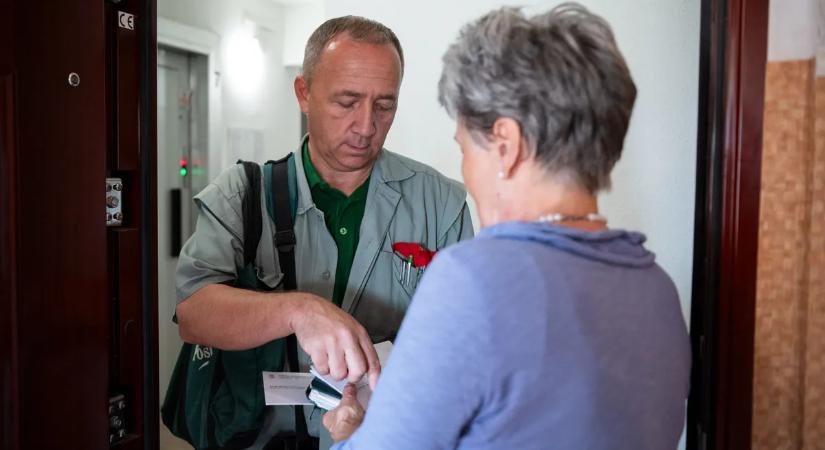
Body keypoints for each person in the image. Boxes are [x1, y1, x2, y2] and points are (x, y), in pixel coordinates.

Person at [322, 4, 691, 450]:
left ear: (507, 146)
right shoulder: (656, 290)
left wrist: (350, 434)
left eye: (466, 149)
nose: (466, 170)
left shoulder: (474, 280)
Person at [174, 16, 473, 450]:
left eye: (384, 105)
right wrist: (299, 311)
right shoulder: (241, 195)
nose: (367, 125)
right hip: (262, 436)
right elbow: (193, 313)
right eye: (347, 102)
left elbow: (466, 344)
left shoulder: (441, 203)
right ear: (303, 94)